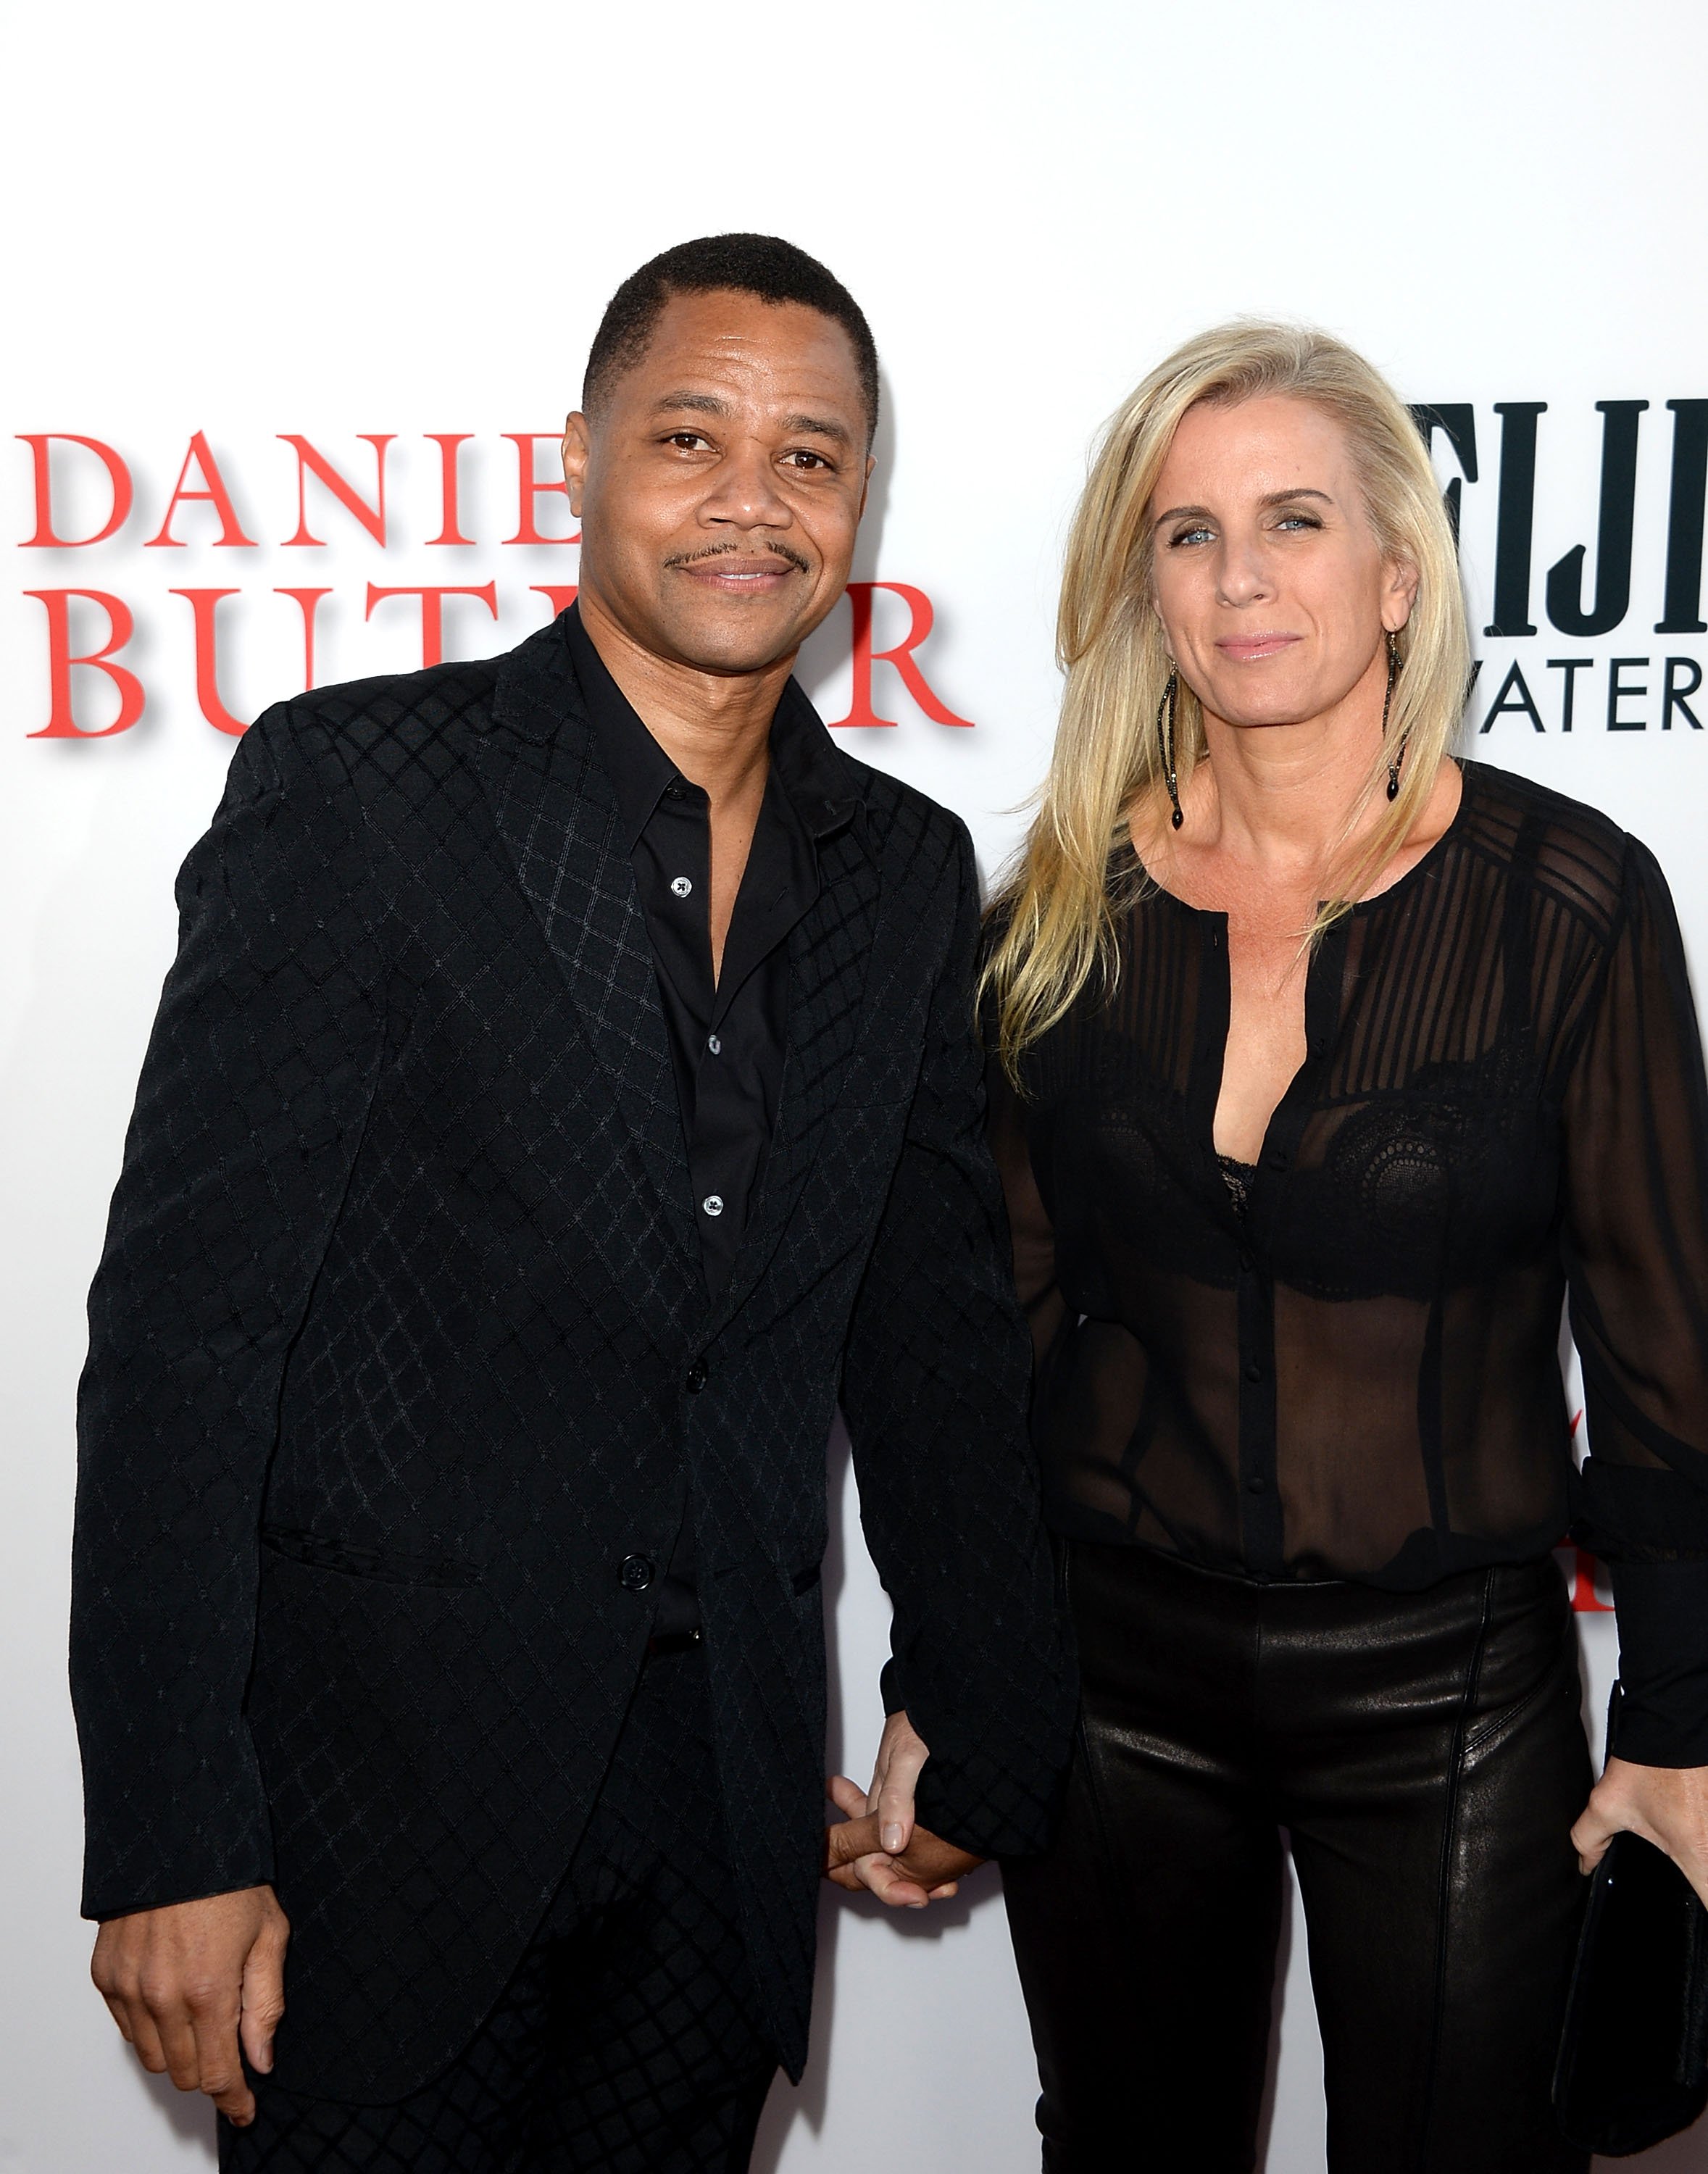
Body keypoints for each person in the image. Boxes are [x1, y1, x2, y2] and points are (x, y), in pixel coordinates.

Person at [70, 231, 1075, 2173]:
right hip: (373, 1832)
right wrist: (178, 1830)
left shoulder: (896, 871)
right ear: (575, 460)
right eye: (688, 436)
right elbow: (188, 1341)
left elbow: (934, 1337)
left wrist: (978, 1695)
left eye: (808, 456)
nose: (748, 498)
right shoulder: (362, 794)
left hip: (719, 1844)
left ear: (856, 501)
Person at [980, 321, 1708, 2173]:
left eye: (1294, 520)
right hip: (1108, 1688)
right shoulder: (1055, 913)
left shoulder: (1571, 904)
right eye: (1188, 531)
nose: (1241, 579)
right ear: (1140, 586)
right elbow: (998, 1332)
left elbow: (1664, 1352)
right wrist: (954, 1680)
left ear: (1398, 572)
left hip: (1452, 1691)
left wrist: (1685, 1719)